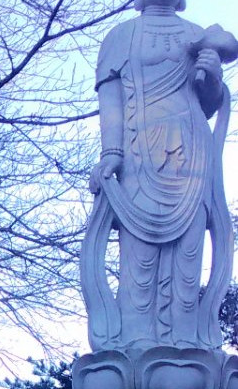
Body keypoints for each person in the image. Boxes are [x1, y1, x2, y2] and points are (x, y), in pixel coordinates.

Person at [82, 0, 233, 351]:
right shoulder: (121, 36)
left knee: (187, 257)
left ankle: (186, 343)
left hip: (191, 159)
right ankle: (137, 345)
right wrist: (112, 154)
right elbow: (112, 99)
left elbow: (207, 104)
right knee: (140, 258)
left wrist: (212, 78)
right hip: (139, 156)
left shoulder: (196, 34)